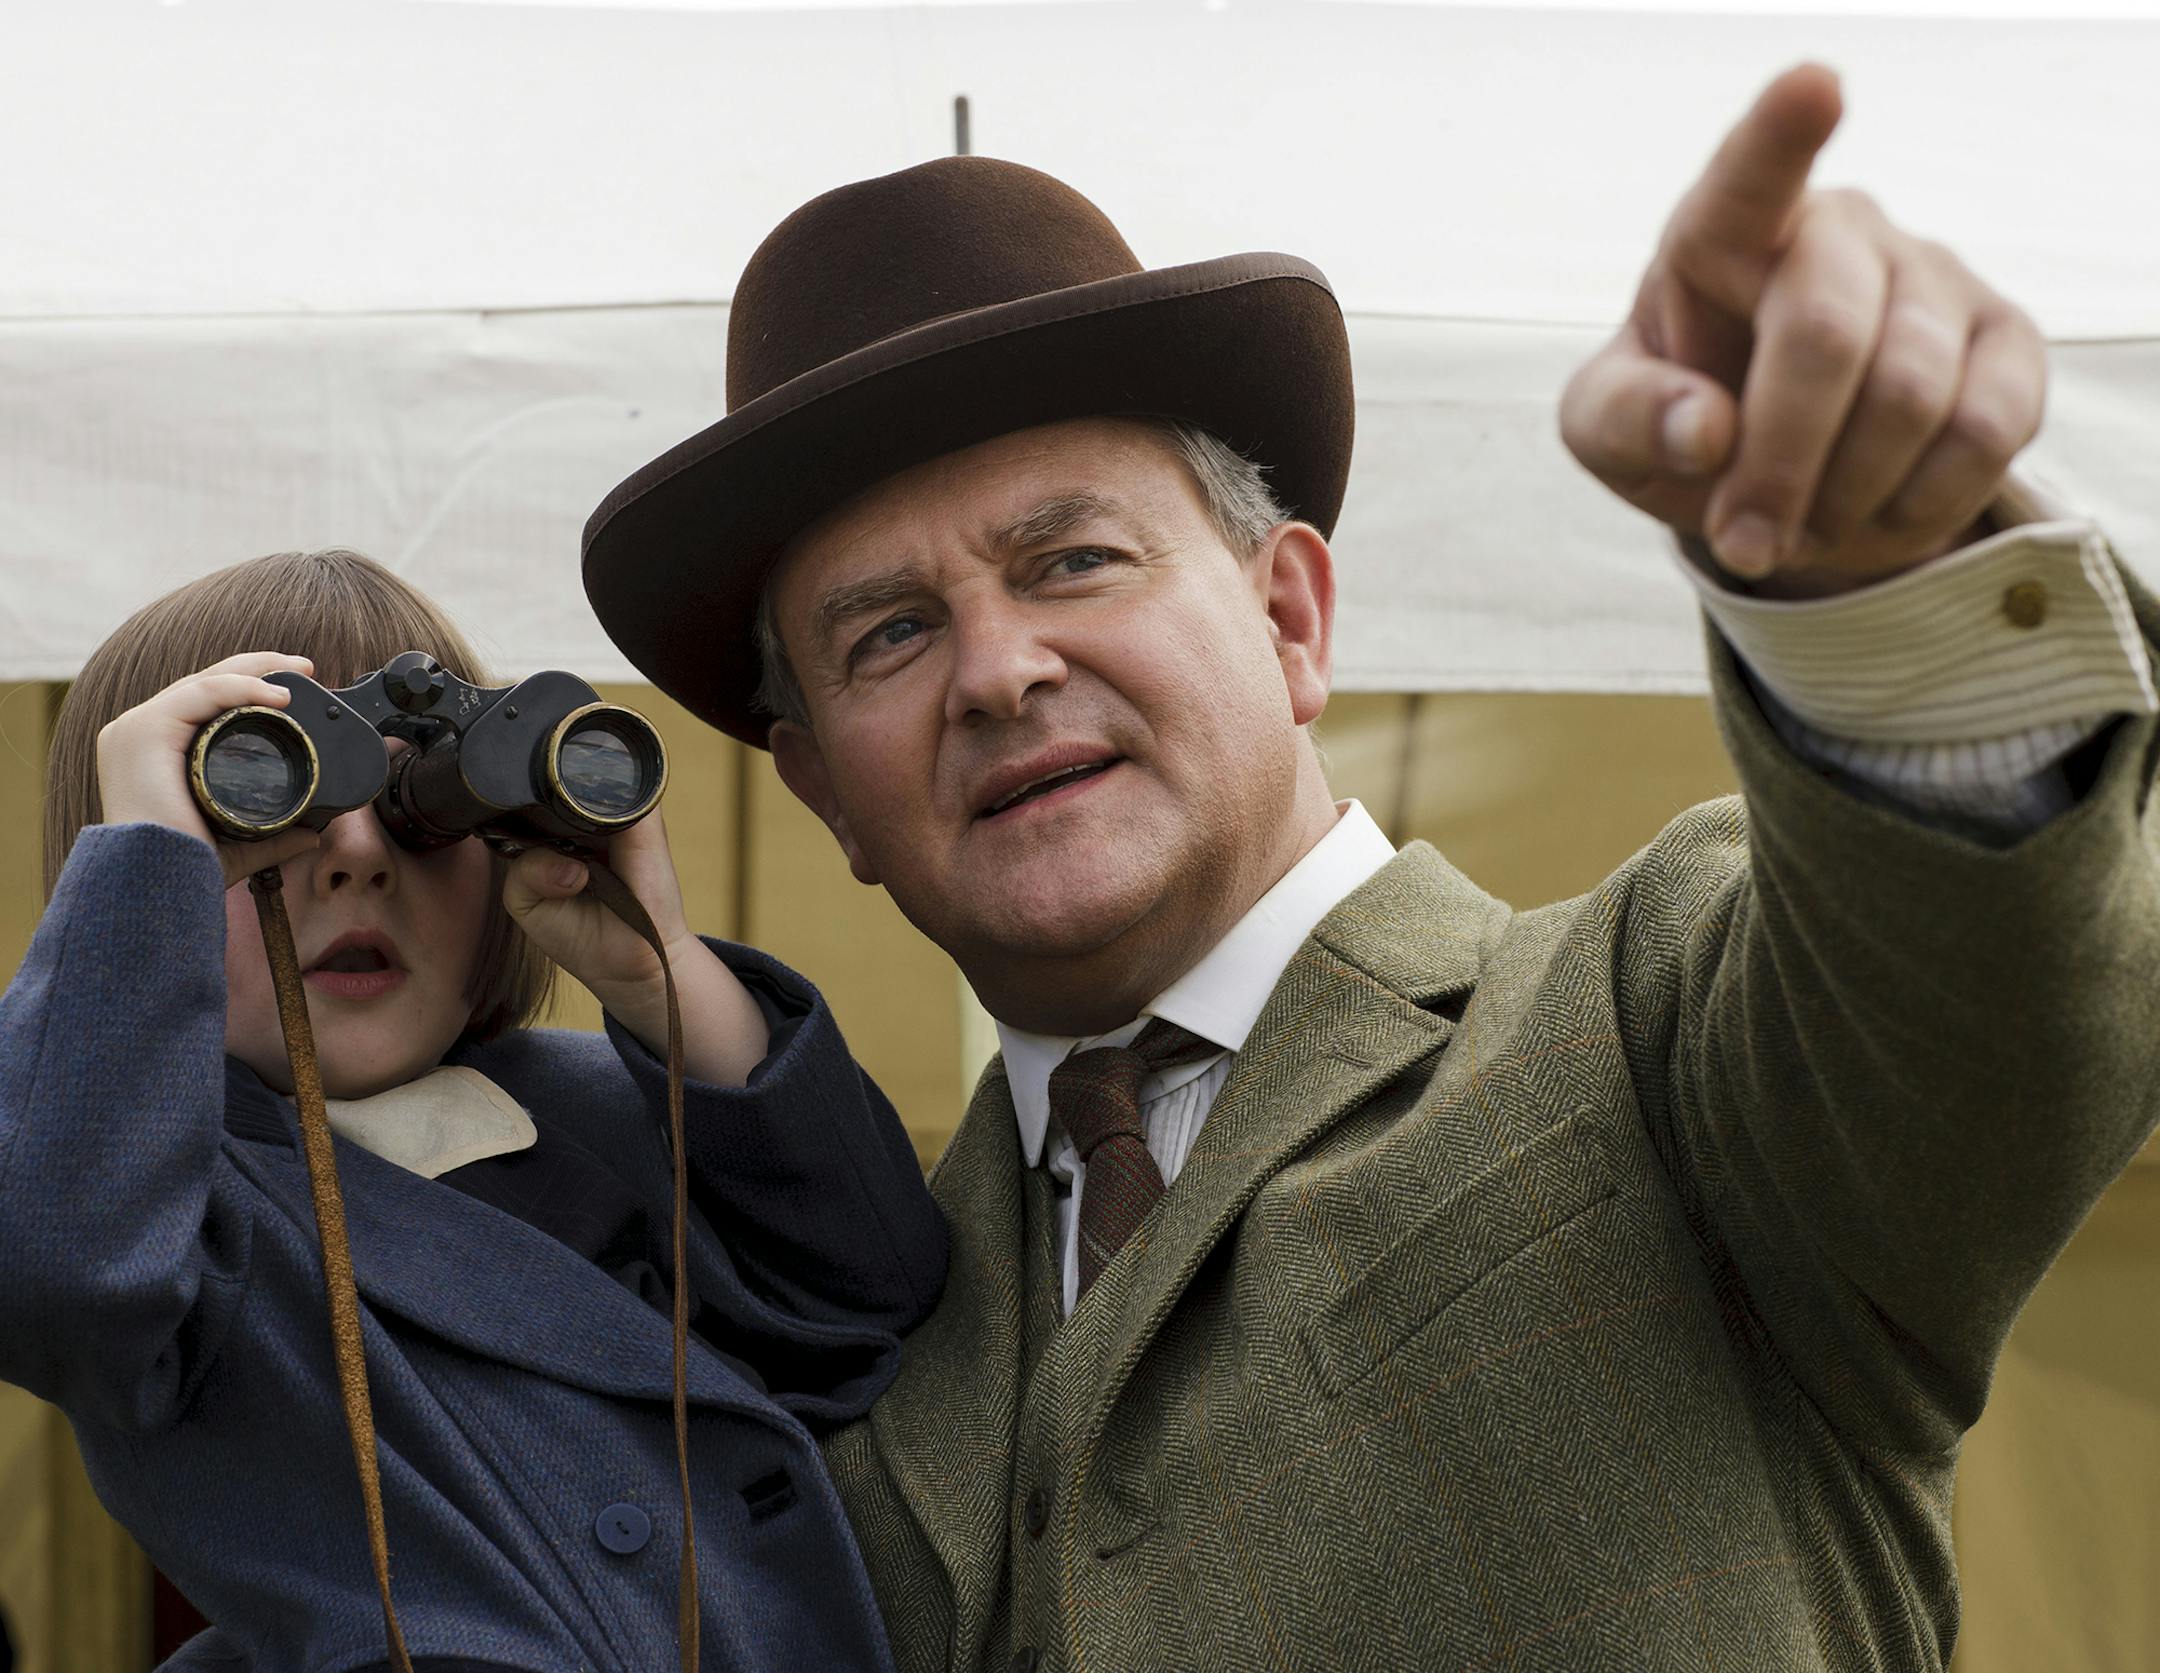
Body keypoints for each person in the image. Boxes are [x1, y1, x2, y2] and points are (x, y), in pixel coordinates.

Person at [579, 64, 2160, 1672]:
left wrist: (1886, 601)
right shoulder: (870, 1323)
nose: (997, 669)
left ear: (1290, 619)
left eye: (1072, 560)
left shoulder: (1655, 1023)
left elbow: (1988, 1018)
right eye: (891, 633)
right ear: (825, 794)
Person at [0, 548, 945, 1671]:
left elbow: (875, 1293)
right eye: (263, 803)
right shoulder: (173, 1201)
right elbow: (52, 1273)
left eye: (418, 813)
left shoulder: (592, 1107)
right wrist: (151, 852)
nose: (354, 856)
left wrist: (665, 972)